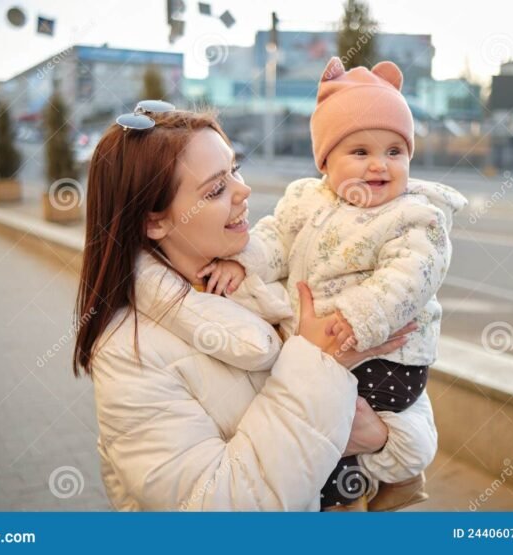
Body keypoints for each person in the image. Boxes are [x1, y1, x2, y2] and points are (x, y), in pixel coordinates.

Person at [71, 101, 438, 511]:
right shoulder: (129, 353)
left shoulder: (266, 275)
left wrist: (383, 439)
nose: (243, 191)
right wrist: (318, 365)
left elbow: (403, 392)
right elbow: (212, 507)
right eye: (215, 189)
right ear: (154, 221)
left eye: (235, 169)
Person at [200, 58, 467, 510]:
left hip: (385, 358)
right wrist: (243, 264)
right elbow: (274, 239)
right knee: (314, 425)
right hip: (327, 350)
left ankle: (347, 498)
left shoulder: (414, 216)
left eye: (395, 152)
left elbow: (412, 276)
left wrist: (360, 316)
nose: (379, 165)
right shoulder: (307, 200)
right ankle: (367, 488)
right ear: (325, 162)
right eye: (360, 152)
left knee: (324, 433)